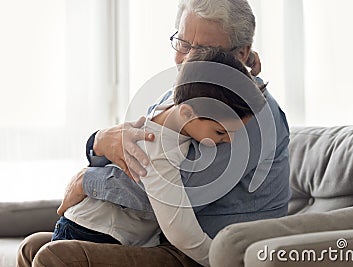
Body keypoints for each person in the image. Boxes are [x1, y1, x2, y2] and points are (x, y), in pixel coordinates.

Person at [17, 0, 290, 266]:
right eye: (183, 43)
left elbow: (161, 198)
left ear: (241, 55)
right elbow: (134, 149)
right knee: (32, 246)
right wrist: (98, 141)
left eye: (205, 49)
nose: (186, 60)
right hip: (163, 237)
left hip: (201, 249)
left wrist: (87, 180)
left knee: (53, 257)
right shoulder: (185, 93)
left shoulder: (243, 115)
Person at [50, 47, 266, 266]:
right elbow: (182, 233)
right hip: (95, 233)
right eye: (221, 132)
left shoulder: (174, 107)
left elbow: (210, 74)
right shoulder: (156, 152)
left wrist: (249, 71)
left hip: (100, 228)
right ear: (187, 114)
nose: (229, 140)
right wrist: (224, 261)